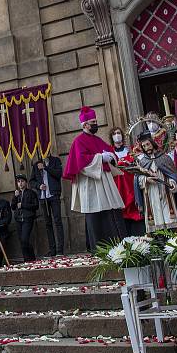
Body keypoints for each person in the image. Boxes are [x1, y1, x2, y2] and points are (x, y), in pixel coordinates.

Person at [63, 106, 126, 248]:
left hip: (104, 181)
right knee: (96, 215)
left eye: (96, 122)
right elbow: (81, 162)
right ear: (85, 125)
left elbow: (110, 153)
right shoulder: (78, 141)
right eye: (93, 122)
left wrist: (110, 157)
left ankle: (117, 243)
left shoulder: (97, 140)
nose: (95, 124)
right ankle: (99, 247)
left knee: (112, 212)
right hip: (91, 183)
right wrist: (100, 158)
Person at [137, 131, 177, 231]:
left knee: (168, 215)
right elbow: (137, 179)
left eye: (148, 144)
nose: (146, 147)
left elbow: (172, 175)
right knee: (155, 216)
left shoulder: (165, 158)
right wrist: (146, 179)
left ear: (152, 143)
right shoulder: (142, 162)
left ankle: (172, 234)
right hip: (151, 193)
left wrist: (173, 183)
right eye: (144, 146)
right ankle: (158, 237)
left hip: (166, 192)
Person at [108, 128, 143, 236]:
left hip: (130, 184)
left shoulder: (130, 151)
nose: (117, 135)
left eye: (119, 133)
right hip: (117, 185)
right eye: (114, 134)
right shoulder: (109, 152)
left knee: (134, 208)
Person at [29, 154, 65, 256]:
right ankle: (52, 250)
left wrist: (46, 167)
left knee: (57, 221)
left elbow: (59, 174)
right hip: (43, 197)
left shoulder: (55, 160)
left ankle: (60, 250)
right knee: (47, 223)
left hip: (54, 195)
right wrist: (39, 186)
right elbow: (32, 181)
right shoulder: (36, 164)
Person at [11, 174, 39, 262]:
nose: (20, 183)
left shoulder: (31, 193)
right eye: (18, 182)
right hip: (19, 219)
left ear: (26, 183)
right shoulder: (16, 193)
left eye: (22, 181)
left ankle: (31, 258)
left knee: (25, 239)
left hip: (28, 219)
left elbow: (36, 206)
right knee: (22, 241)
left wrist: (23, 205)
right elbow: (13, 207)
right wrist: (15, 197)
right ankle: (27, 259)